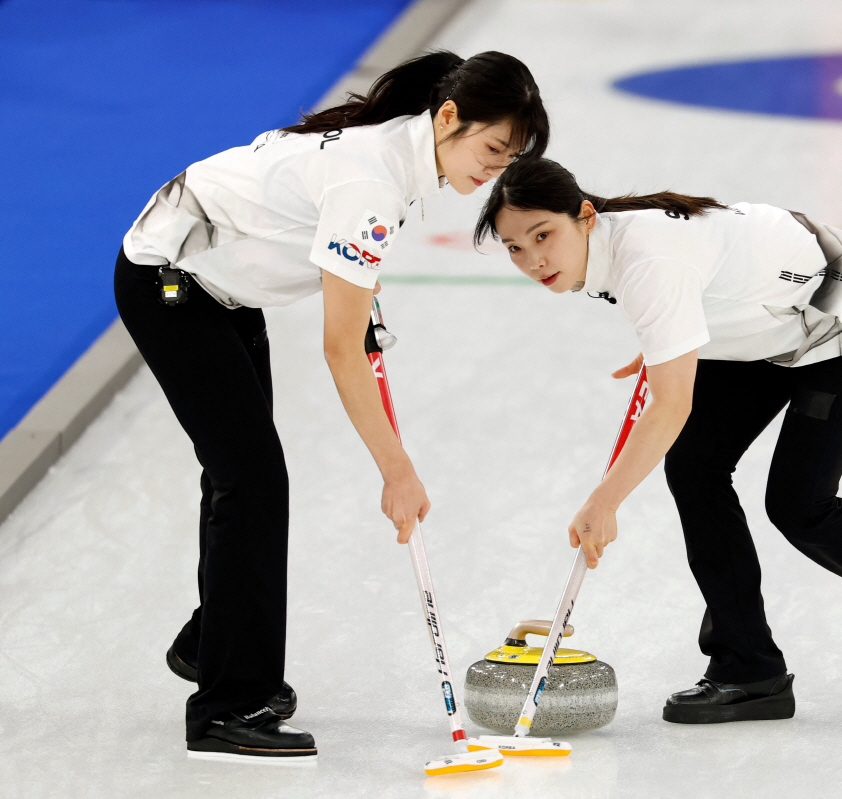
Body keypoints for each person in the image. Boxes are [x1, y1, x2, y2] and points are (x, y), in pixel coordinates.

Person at [115, 50, 548, 761]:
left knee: (241, 474)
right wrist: (396, 469)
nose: (493, 170)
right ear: (447, 118)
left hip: (223, 288)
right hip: (172, 283)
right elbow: (341, 350)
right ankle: (229, 702)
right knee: (249, 479)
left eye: (510, 158)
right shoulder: (372, 178)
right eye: (492, 148)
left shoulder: (396, 158)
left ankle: (215, 646)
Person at [476, 158, 842, 723]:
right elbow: (701, 279)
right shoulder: (617, 246)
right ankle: (748, 668)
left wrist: (604, 501)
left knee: (799, 503)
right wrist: (672, 338)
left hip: (836, 317)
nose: (535, 259)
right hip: (760, 325)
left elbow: (670, 404)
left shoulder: (646, 258)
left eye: (544, 235)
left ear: (585, 217)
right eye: (515, 247)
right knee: (694, 466)